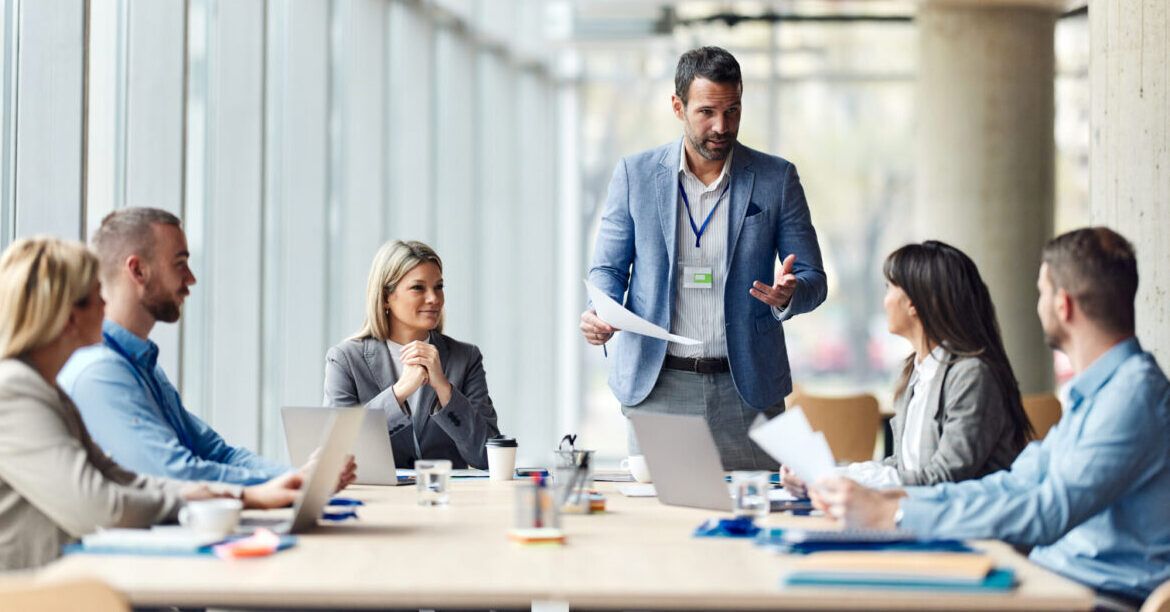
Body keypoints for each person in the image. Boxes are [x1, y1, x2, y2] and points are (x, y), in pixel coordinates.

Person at [812, 227, 1170, 604]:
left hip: (1098, 595)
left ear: (1063, 305)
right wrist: (897, 504)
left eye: (1041, 293)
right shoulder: (1098, 394)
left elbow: (1047, 510)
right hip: (1055, 580)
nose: (1037, 305)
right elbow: (1013, 484)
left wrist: (898, 516)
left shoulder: (1132, 397)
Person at [581, 46, 827, 470]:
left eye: (733, 111)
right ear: (678, 106)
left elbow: (812, 277)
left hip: (747, 386)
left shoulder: (775, 178)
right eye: (707, 112)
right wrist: (599, 311)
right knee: (664, 526)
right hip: (659, 386)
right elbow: (608, 268)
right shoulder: (635, 176)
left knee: (758, 517)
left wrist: (791, 293)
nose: (721, 126)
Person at [0, 237, 305, 570]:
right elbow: (101, 507)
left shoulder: (48, 389)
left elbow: (124, 479)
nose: (106, 305)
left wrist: (242, 497)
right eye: (96, 296)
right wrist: (194, 503)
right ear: (68, 317)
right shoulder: (14, 390)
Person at [58, 208, 354, 487]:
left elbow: (217, 453)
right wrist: (294, 483)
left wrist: (298, 476)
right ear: (138, 271)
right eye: (179, 264)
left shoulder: (142, 364)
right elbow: (176, 474)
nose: (191, 278)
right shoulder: (99, 371)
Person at [782, 241, 1032, 496]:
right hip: (922, 519)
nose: (885, 300)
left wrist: (842, 483)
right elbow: (901, 467)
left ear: (914, 302)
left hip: (964, 528)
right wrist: (824, 478)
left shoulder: (970, 376)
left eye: (890, 288)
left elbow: (944, 478)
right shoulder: (918, 372)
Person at [323, 240, 499, 469]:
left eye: (439, 287)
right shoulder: (344, 359)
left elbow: (489, 456)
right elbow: (336, 453)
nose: (434, 299)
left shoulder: (465, 358)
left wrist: (445, 390)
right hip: (376, 501)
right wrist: (399, 392)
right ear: (386, 296)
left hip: (447, 500)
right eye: (418, 288)